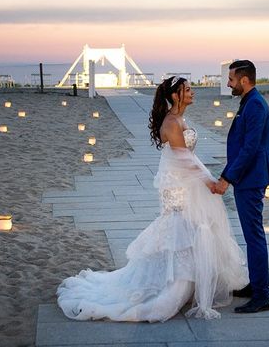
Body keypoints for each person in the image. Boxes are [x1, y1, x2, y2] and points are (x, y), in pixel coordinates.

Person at [57, 76, 249, 322]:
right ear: (175, 95)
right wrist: (209, 181)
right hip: (178, 184)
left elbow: (187, 156)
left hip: (185, 179)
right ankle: (174, 284)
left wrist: (206, 179)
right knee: (180, 227)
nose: (192, 93)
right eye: (188, 90)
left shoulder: (180, 118)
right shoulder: (171, 122)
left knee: (190, 227)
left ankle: (188, 281)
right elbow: (184, 158)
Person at [210, 60, 269, 313]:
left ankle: (262, 295)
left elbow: (250, 148)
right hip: (248, 177)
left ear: (244, 80)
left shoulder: (256, 105)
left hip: (251, 178)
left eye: (231, 79)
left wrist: (227, 178)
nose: (228, 83)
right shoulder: (249, 102)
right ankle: (256, 284)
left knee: (254, 237)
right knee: (252, 236)